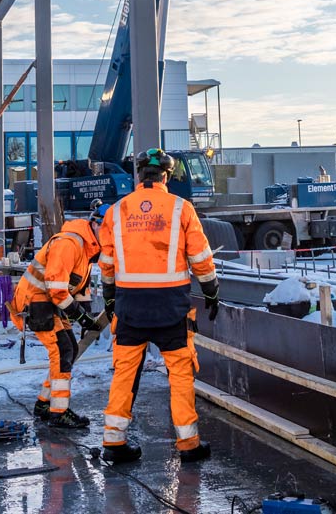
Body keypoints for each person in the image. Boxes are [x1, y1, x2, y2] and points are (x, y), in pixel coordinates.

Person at [97, 148, 220, 465]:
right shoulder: (182, 208)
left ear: (139, 175)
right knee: (179, 373)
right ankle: (188, 443)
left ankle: (114, 441)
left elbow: (107, 261)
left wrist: (110, 296)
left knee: (124, 373)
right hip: (171, 307)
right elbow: (200, 257)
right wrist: (211, 291)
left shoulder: (117, 211)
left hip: (130, 306)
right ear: (167, 176)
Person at [8, 202, 107, 429]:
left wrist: (85, 314)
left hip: (46, 302)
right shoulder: (70, 244)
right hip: (35, 303)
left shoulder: (87, 249)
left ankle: (44, 403)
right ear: (95, 224)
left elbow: (78, 286)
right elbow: (56, 288)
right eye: (107, 230)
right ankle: (58, 411)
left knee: (67, 348)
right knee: (63, 351)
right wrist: (81, 317)